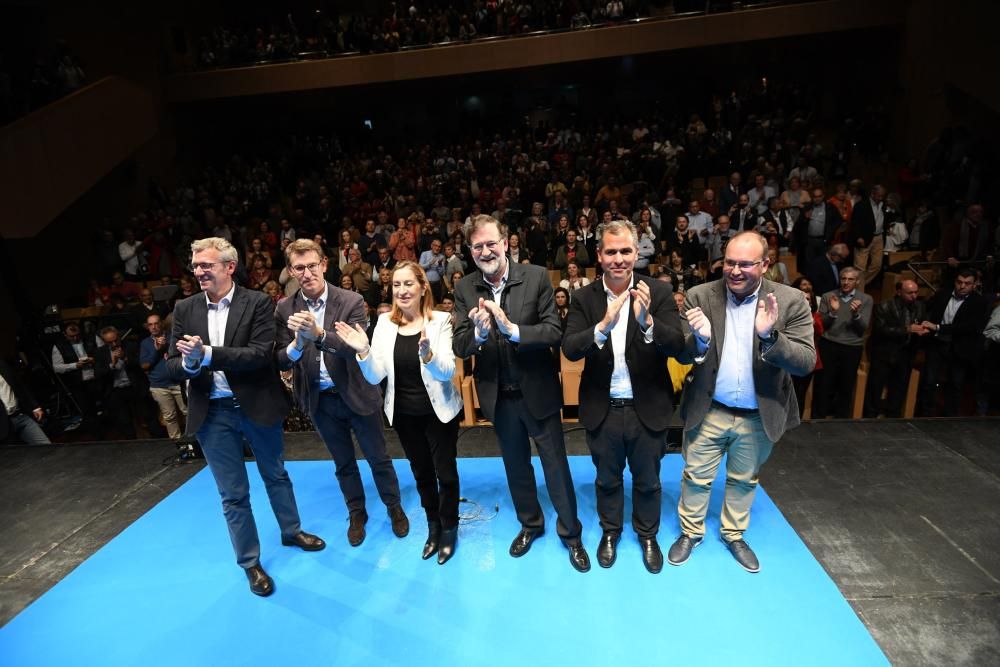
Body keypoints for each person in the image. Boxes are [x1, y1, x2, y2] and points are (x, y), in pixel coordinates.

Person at [167, 237, 324, 597]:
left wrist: (206, 354)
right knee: (232, 494)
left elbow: (257, 356)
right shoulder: (184, 309)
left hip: (257, 405)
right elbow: (172, 366)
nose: (199, 271)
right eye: (195, 265)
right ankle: (250, 563)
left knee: (276, 474)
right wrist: (190, 363)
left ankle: (291, 531)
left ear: (229, 267)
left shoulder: (256, 303)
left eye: (206, 265)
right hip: (213, 413)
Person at [668, 231, 814, 573]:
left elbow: (805, 361)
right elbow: (682, 353)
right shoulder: (699, 296)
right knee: (695, 476)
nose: (735, 270)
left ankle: (733, 534)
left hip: (757, 414)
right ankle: (691, 532)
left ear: (765, 264)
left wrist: (770, 336)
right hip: (709, 408)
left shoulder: (790, 301)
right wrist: (700, 341)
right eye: (730, 262)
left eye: (745, 264)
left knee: (744, 478)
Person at [453, 215, 590, 573]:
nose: (485, 251)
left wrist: (511, 329)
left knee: (556, 467)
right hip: (498, 397)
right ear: (470, 251)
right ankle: (531, 524)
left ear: (506, 241)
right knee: (516, 468)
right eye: (477, 246)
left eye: (490, 243)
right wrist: (480, 336)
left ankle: (571, 533)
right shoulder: (465, 288)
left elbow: (553, 331)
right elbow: (460, 344)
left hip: (538, 390)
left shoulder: (537, 276)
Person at [563, 219, 684, 573]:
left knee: (648, 479)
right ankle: (610, 533)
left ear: (637, 253)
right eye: (611, 252)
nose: (619, 259)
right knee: (607, 479)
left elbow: (678, 346)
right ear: (599, 255)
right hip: (604, 409)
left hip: (648, 407)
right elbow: (570, 348)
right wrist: (601, 327)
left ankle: (647, 535)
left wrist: (647, 322)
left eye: (626, 251)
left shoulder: (657, 293)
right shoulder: (584, 298)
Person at [275, 239, 409, 547]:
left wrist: (319, 335)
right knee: (343, 463)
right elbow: (280, 358)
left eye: (312, 265)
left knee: (378, 458)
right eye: (299, 267)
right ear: (291, 271)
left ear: (323, 264)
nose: (307, 273)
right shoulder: (284, 308)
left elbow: (354, 349)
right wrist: (296, 345)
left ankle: (394, 507)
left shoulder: (350, 300)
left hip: (357, 393)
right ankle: (357, 513)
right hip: (320, 399)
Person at [335, 261, 463, 565]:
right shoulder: (384, 324)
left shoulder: (441, 320)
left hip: (439, 413)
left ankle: (450, 528)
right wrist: (364, 352)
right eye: (396, 285)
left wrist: (428, 355)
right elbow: (375, 376)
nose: (402, 291)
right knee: (421, 473)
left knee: (445, 473)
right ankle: (433, 526)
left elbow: (447, 373)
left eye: (408, 284)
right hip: (404, 414)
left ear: (422, 288)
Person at [918, 269, 989, 417]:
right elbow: (928, 310)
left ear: (974, 284)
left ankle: (950, 417)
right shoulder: (943, 294)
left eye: (967, 283)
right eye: (959, 282)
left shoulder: (979, 302)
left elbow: (968, 326)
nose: (962, 286)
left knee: (955, 384)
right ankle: (925, 414)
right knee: (929, 381)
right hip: (937, 344)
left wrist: (938, 327)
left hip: (959, 347)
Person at [864, 280, 929, 418]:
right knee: (875, 390)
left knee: (898, 390)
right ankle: (869, 419)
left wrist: (923, 329)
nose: (914, 296)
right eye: (910, 292)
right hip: (884, 355)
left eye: (916, 292)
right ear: (899, 292)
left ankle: (893, 421)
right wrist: (907, 329)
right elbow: (880, 330)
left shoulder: (920, 306)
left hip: (905, 355)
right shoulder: (885, 306)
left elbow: (921, 323)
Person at [814, 267, 873, 419]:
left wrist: (856, 315)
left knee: (846, 385)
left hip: (852, 347)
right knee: (824, 384)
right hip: (829, 344)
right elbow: (821, 325)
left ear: (857, 281)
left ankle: (841, 419)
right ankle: (818, 417)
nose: (846, 282)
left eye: (850, 279)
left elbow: (862, 329)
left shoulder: (866, 299)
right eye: (843, 279)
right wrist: (832, 313)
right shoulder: (828, 296)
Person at [140, 313, 187, 440]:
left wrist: (170, 353)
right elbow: (144, 366)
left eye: (156, 323)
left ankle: (195, 440)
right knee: (169, 417)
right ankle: (177, 443)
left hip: (178, 382)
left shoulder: (173, 338)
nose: (154, 327)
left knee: (188, 412)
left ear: (161, 324)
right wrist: (157, 350)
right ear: (147, 327)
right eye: (150, 324)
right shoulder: (145, 343)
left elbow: (185, 357)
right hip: (159, 386)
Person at [0, 358, 50, 444]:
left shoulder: (2, 364)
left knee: (46, 446)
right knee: (15, 456)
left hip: (21, 416)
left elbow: (19, 385)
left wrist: (35, 407)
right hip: (2, 425)